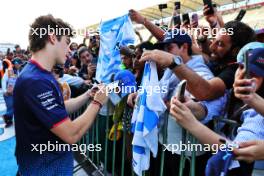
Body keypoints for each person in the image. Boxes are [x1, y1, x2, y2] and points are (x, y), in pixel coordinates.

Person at [13, 15, 108, 175]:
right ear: (52, 38)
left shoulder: (40, 74)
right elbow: (71, 134)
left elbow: (58, 108)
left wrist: (87, 96)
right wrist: (97, 103)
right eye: (66, 43)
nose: (70, 51)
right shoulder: (36, 80)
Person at [170, 44, 264, 175]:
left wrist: (191, 124)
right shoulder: (230, 93)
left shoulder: (258, 115)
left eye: (253, 73)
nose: (243, 74)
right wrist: (191, 106)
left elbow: (236, 151)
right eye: (241, 67)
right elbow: (208, 109)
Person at [2, 58, 23, 128]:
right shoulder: (9, 71)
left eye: (19, 64)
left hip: (18, 92)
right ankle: (8, 119)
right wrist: (4, 90)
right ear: (14, 64)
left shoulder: (22, 71)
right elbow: (4, 81)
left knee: (18, 106)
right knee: (10, 106)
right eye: (17, 64)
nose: (18, 65)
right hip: (9, 93)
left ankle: (9, 118)